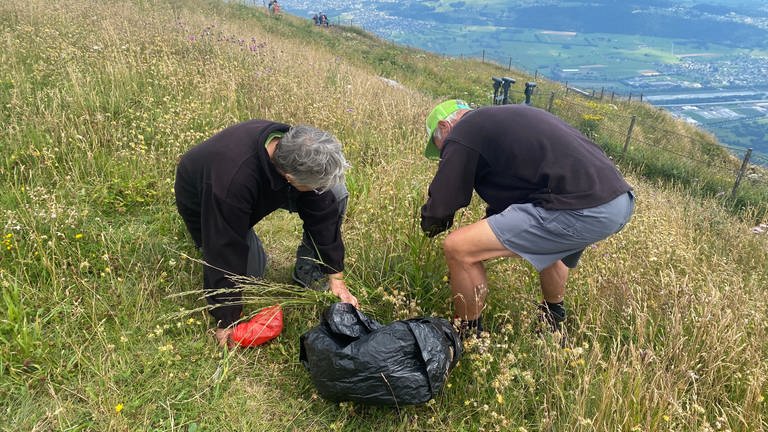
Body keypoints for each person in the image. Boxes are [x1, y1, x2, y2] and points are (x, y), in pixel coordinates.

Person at [420, 100, 634, 343]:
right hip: (617, 200)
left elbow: (444, 200)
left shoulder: (462, 131)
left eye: (439, 149)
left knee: (458, 248)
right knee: (550, 247)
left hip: (582, 207)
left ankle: (468, 337)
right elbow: (516, 199)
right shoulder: (501, 122)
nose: (443, 155)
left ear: (444, 126)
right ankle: (551, 323)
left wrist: (431, 225)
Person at [175, 121, 359, 347]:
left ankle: (308, 272)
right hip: (206, 199)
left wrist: (335, 276)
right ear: (290, 179)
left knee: (334, 193)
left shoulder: (296, 148)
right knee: (249, 276)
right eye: (313, 186)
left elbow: (323, 211)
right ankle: (220, 232)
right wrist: (226, 319)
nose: (318, 190)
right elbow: (224, 248)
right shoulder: (231, 183)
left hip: (250, 186)